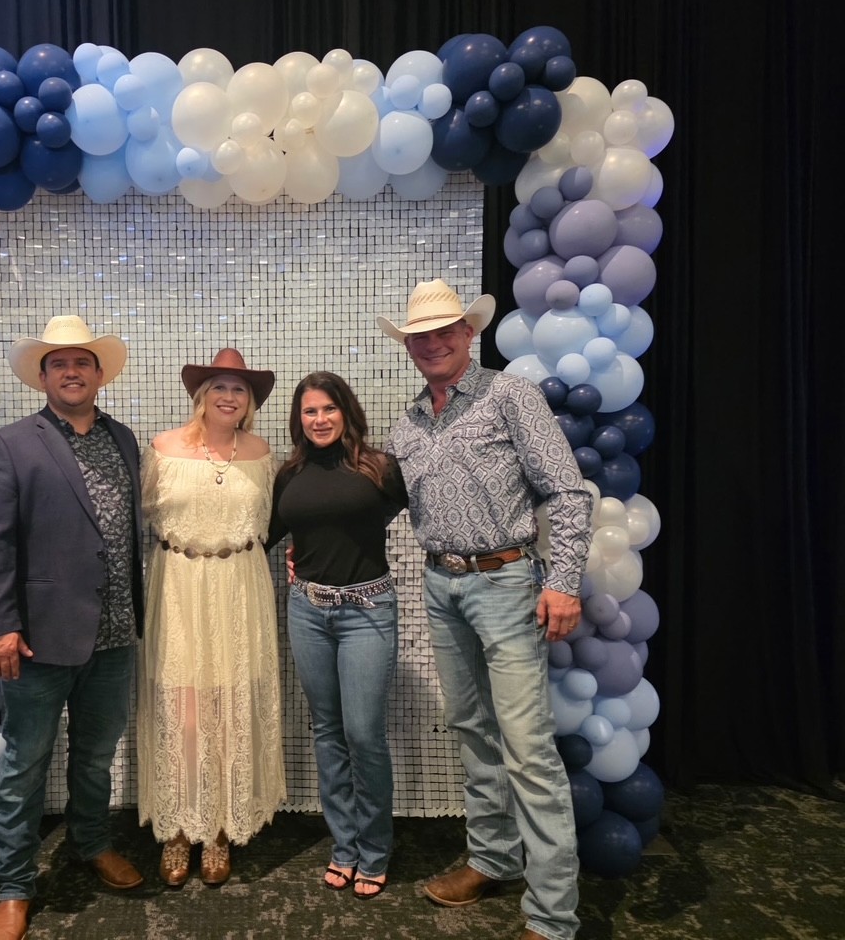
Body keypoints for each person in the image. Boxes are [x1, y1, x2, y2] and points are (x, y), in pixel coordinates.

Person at [377, 279, 593, 940]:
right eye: (421, 335)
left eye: (446, 330)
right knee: (472, 728)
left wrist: (563, 579)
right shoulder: (406, 424)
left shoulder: (509, 396)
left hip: (507, 584)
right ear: (408, 347)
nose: (433, 343)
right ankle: (493, 859)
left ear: (469, 335)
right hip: (440, 588)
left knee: (528, 749)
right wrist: (312, 551)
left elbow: (568, 489)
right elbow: (373, 508)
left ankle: (554, 918)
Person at [0, 315, 146, 940]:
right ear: (41, 378)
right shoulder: (10, 444)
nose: (71, 372)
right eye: (58, 364)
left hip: (117, 633)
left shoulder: (124, 439)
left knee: (96, 758)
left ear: (99, 374)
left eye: (82, 363)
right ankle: (14, 886)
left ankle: (89, 844)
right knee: (25, 765)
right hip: (39, 636)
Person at [136, 348, 286, 888]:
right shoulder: (162, 448)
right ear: (201, 395)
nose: (229, 396)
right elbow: (147, 517)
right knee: (185, 711)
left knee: (230, 706)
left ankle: (220, 827)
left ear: (250, 402)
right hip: (178, 588)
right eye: (220, 386)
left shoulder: (262, 453)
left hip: (239, 589)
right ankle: (179, 827)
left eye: (240, 389)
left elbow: (273, 520)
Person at [265, 372, 408, 900]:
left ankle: (375, 850)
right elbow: (266, 536)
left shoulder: (378, 468)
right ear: (298, 419)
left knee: (364, 733)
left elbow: (405, 513)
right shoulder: (289, 475)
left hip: (368, 610)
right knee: (327, 730)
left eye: (328, 409)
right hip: (308, 611)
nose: (319, 419)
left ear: (346, 412)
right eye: (309, 412)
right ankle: (343, 847)